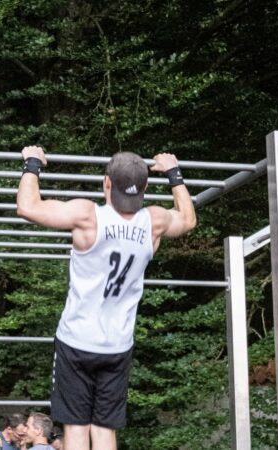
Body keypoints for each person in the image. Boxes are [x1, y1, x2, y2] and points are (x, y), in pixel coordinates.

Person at [16, 146, 197, 450]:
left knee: (76, 429)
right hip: (117, 344)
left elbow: (27, 207)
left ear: (107, 183)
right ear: (144, 188)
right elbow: (188, 219)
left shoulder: (88, 216)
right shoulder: (154, 221)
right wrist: (173, 173)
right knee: (104, 430)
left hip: (77, 339)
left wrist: (32, 162)